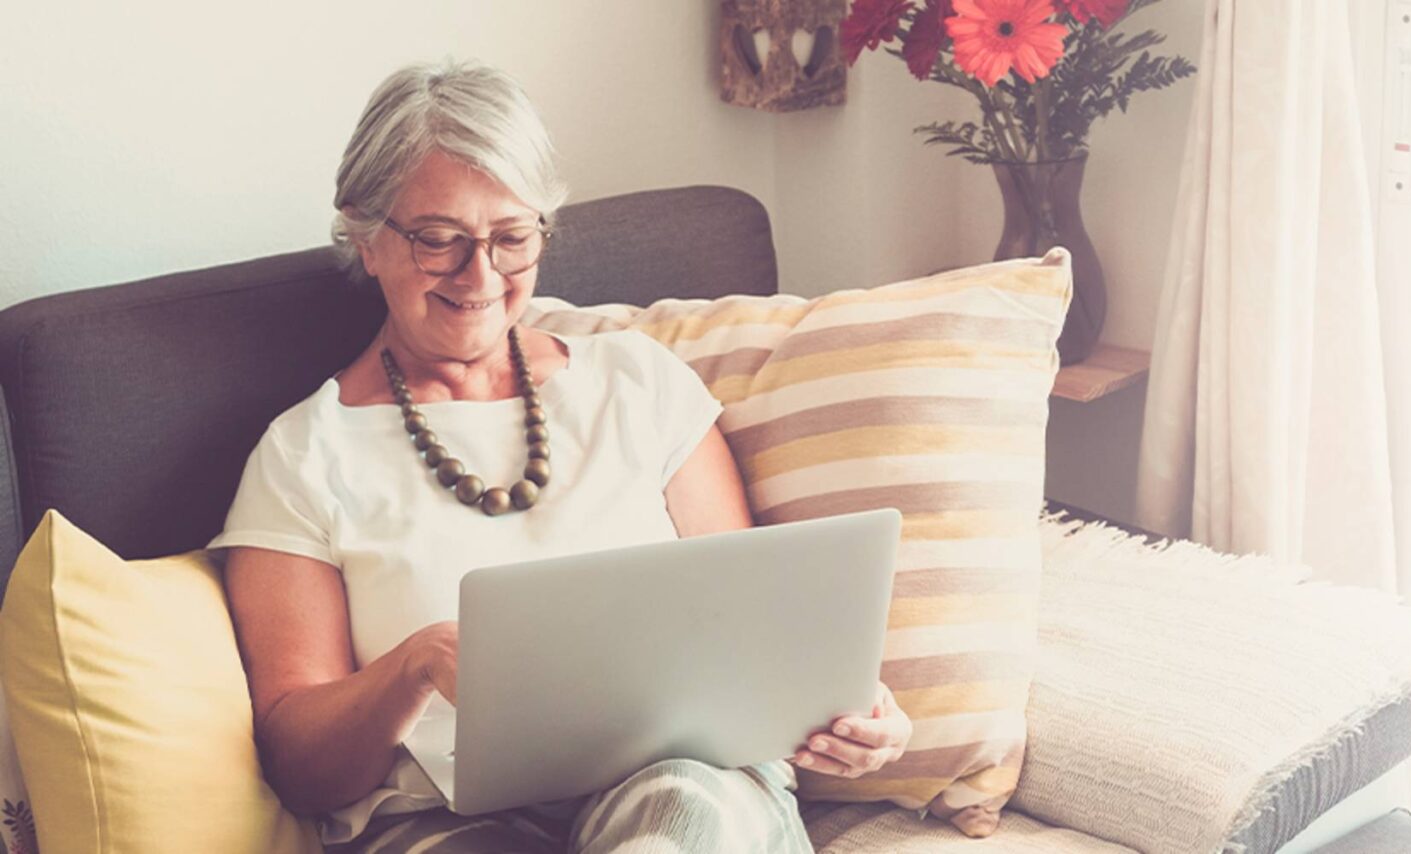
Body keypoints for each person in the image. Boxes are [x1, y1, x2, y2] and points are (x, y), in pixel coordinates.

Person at [213, 59, 911, 853]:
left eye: (511, 238)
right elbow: (299, 766)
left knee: (677, 822)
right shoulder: (304, 455)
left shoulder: (636, 385)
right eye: (440, 241)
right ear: (366, 238)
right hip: (447, 823)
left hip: (680, 785)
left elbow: (755, 637)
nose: (481, 276)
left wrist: (859, 715)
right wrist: (414, 665)